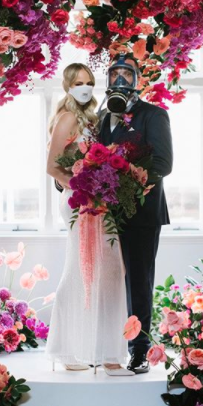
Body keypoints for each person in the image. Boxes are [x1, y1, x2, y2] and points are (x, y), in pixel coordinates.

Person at [45, 62, 134, 376]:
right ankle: (70, 350)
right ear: (68, 85)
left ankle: (101, 350)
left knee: (107, 270)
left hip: (97, 201)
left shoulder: (92, 119)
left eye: (89, 81)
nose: (85, 87)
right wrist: (84, 186)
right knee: (80, 268)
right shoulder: (68, 117)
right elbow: (53, 168)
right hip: (77, 201)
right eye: (78, 82)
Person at [98, 54, 173, 374]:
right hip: (105, 214)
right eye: (114, 74)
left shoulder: (154, 115)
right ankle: (107, 346)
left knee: (139, 283)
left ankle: (139, 349)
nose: (120, 81)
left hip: (142, 214)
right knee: (109, 282)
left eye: (126, 74)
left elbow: (163, 163)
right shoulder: (101, 118)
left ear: (138, 79)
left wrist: (130, 184)